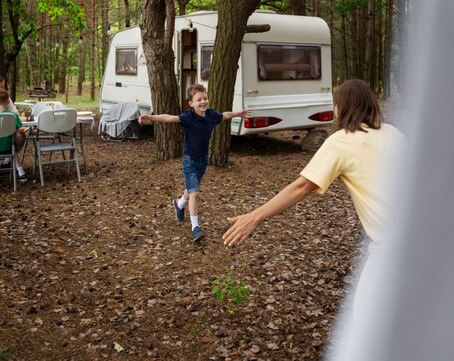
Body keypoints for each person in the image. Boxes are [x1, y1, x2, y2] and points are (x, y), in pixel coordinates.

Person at [222, 79, 407, 316]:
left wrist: (255, 216)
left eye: (335, 104)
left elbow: (302, 187)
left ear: (344, 107)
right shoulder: (394, 134)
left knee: (366, 318)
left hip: (394, 245)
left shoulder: (342, 141)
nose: (334, 110)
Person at [138, 83, 249, 242]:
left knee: (191, 190)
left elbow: (225, 115)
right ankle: (195, 228)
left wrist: (239, 113)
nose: (203, 102)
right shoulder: (189, 117)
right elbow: (169, 118)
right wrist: (150, 117)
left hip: (203, 160)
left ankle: (179, 204)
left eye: (205, 98)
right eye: (199, 100)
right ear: (192, 103)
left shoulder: (211, 115)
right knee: (195, 193)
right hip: (189, 160)